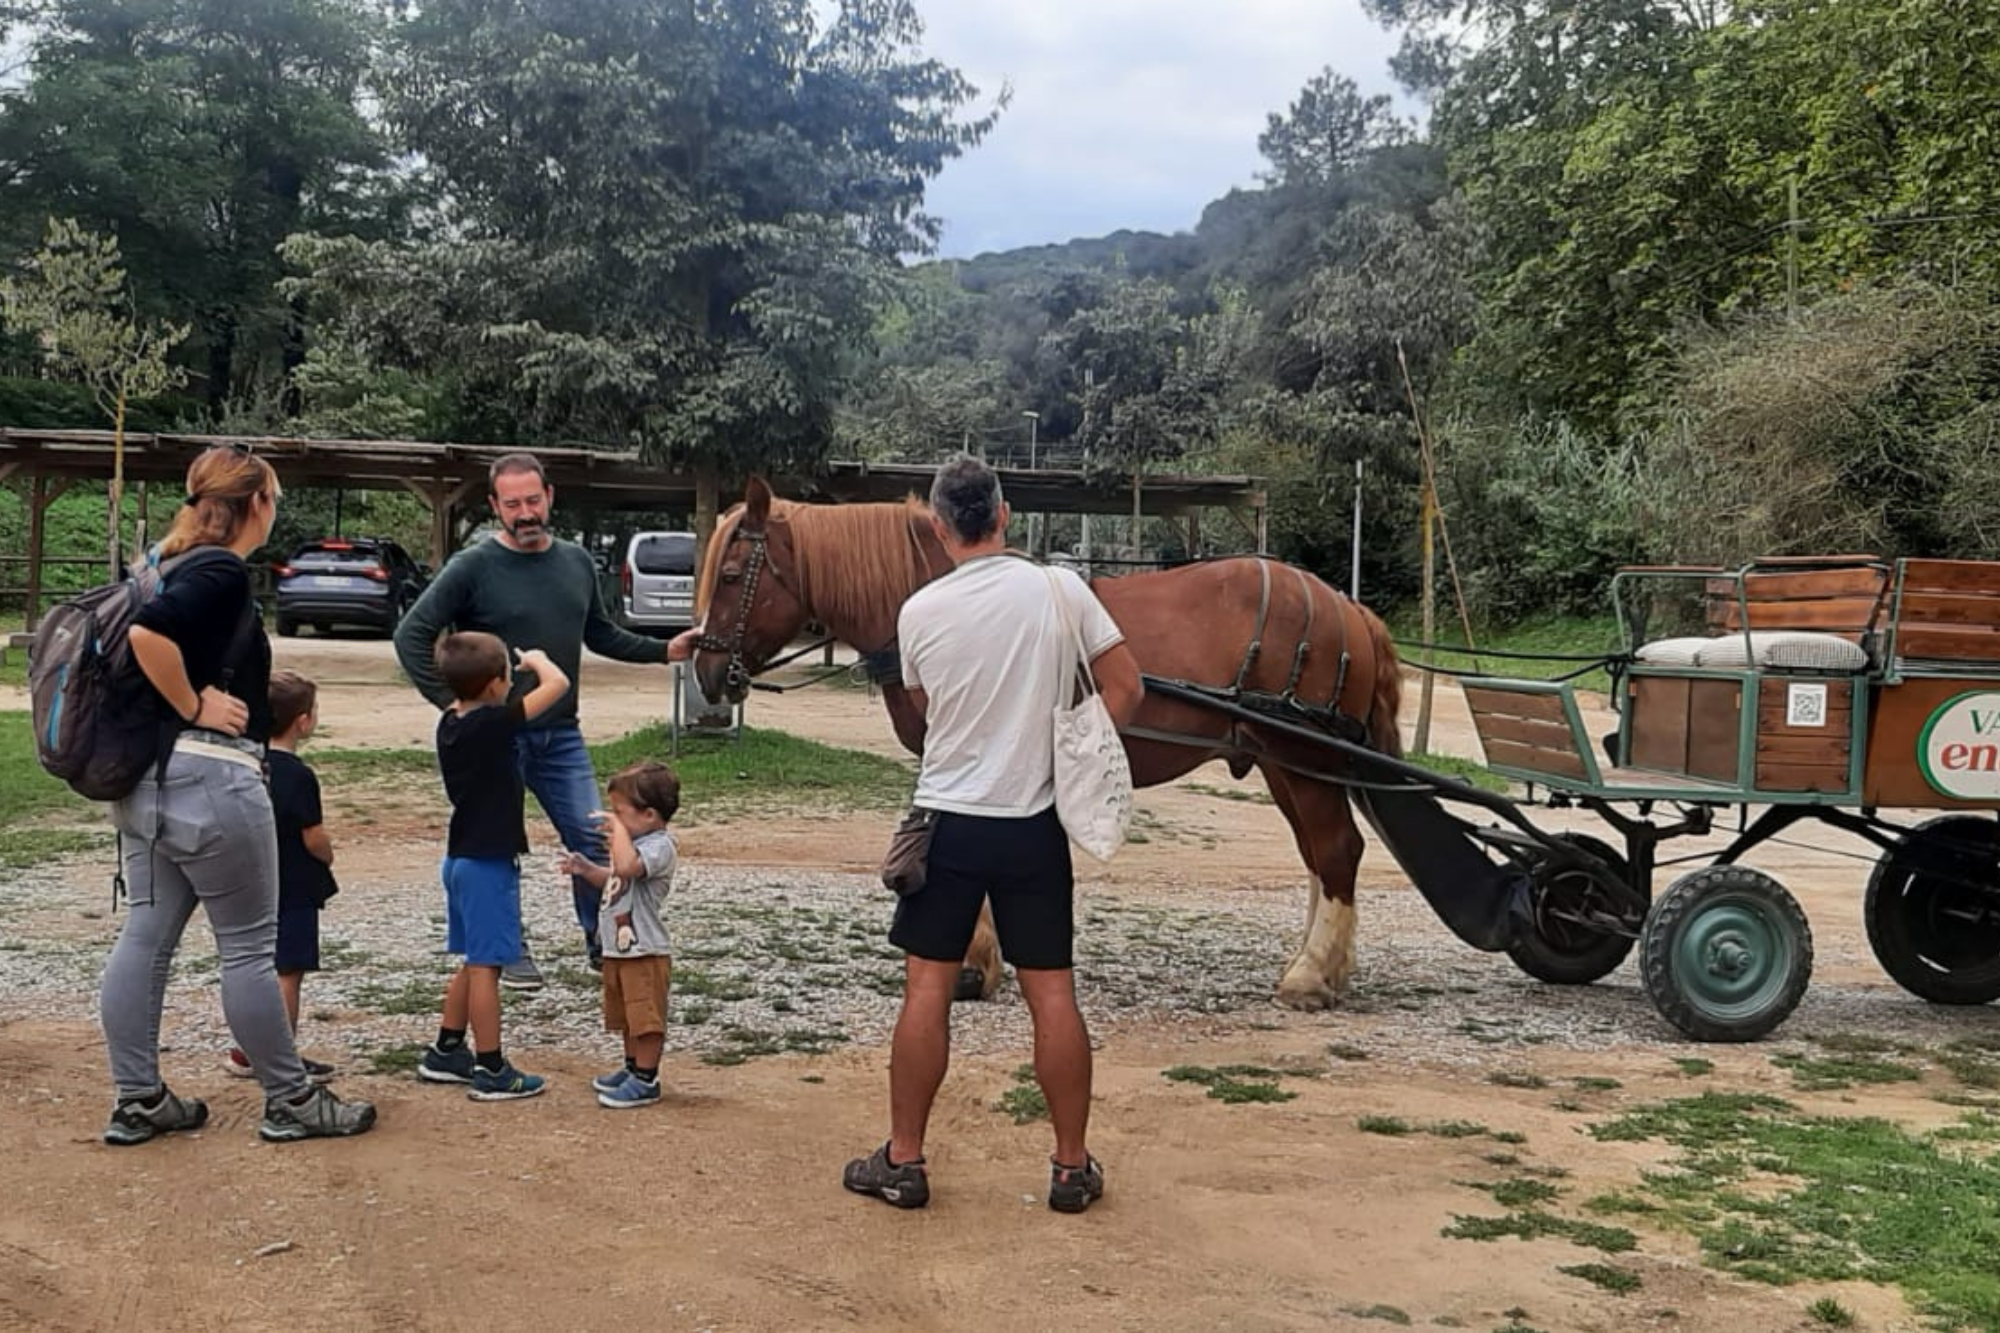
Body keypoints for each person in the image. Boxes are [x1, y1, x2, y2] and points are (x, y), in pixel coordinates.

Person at [842, 454, 1143, 1213]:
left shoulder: (920, 612)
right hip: (1034, 825)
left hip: (948, 822)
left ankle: (904, 1160)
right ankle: (1070, 1167)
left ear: (940, 527)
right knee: (1052, 996)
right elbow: (1126, 688)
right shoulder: (1060, 589)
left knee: (927, 991)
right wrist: (1077, 746)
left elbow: (925, 711)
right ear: (1004, 514)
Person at [100, 444, 377, 1146]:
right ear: (255, 503)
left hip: (147, 785)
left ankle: (138, 1098)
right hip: (213, 780)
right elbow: (146, 635)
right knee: (250, 949)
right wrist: (194, 702)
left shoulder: (160, 563)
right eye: (273, 498)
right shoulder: (221, 569)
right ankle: (291, 1099)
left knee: (145, 937)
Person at [394, 453, 688, 988]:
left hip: (559, 734)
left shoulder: (575, 562)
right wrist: (454, 708)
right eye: (512, 504)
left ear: (549, 497)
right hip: (495, 743)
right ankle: (505, 949)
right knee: (493, 846)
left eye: (533, 501)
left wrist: (664, 649)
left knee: (593, 833)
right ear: (494, 507)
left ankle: (603, 938)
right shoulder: (472, 566)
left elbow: (600, 633)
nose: (525, 513)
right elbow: (410, 635)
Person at [416, 631, 572, 1100]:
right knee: (488, 966)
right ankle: (491, 1068)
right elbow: (559, 684)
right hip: (486, 863)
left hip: (460, 857)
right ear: (492, 685)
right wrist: (538, 658)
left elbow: (469, 688)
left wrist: (501, 666)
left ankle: (446, 1050)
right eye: (506, 675)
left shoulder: (450, 720)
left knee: (473, 960)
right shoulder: (493, 724)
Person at [225, 670, 338, 1084]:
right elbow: (313, 836)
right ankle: (279, 1057)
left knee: (249, 963)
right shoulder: (297, 775)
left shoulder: (246, 764)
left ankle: (244, 1050)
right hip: (293, 884)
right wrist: (328, 857)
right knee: (288, 972)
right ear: (303, 721)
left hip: (250, 879)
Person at [556, 761, 681, 1110]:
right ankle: (632, 1068)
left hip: (645, 952)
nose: (614, 821)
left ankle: (646, 1078)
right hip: (622, 950)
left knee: (646, 1019)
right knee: (628, 1016)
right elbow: (616, 879)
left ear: (650, 815)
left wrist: (620, 836)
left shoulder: (660, 847)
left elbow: (627, 867)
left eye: (619, 813)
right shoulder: (635, 847)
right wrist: (586, 869)